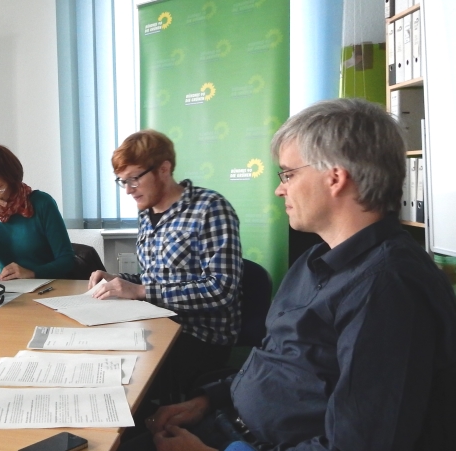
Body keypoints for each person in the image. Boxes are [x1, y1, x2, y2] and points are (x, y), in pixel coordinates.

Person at [122, 98, 456, 451]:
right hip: (226, 423)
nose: (281, 188)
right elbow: (279, 361)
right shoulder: (314, 260)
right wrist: (206, 400)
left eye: (289, 174)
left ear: (335, 177)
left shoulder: (388, 287)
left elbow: (358, 444)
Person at [89, 129, 243, 400]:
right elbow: (155, 276)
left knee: (123, 378)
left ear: (164, 169)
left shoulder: (210, 208)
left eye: (134, 179)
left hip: (198, 337)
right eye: (122, 181)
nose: (127, 190)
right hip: (156, 323)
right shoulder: (148, 214)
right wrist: (117, 279)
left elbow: (221, 289)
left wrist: (141, 291)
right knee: (95, 353)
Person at [0, 144, 74, 280]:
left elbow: (67, 261)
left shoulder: (42, 203)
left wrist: (32, 273)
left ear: (12, 182)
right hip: (10, 290)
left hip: (48, 286)